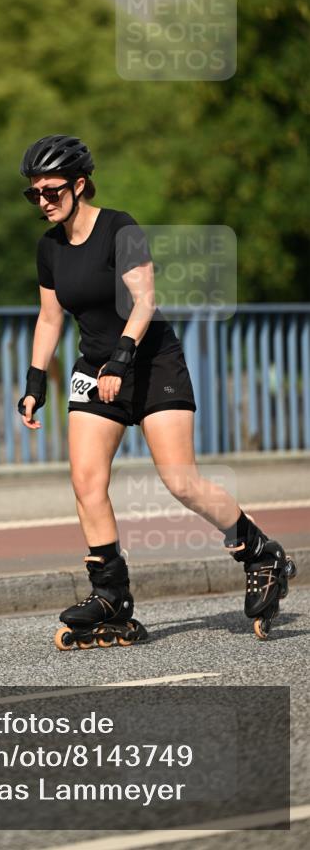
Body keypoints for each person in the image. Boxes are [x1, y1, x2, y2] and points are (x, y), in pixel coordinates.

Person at [17, 134, 296, 648]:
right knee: (85, 481)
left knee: (181, 481)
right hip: (96, 369)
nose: (43, 201)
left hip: (150, 361)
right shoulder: (49, 248)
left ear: (79, 185)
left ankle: (261, 553)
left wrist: (121, 359)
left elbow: (144, 302)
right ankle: (111, 598)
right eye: (34, 194)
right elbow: (50, 317)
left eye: (52, 190)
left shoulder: (120, 228)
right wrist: (34, 382)